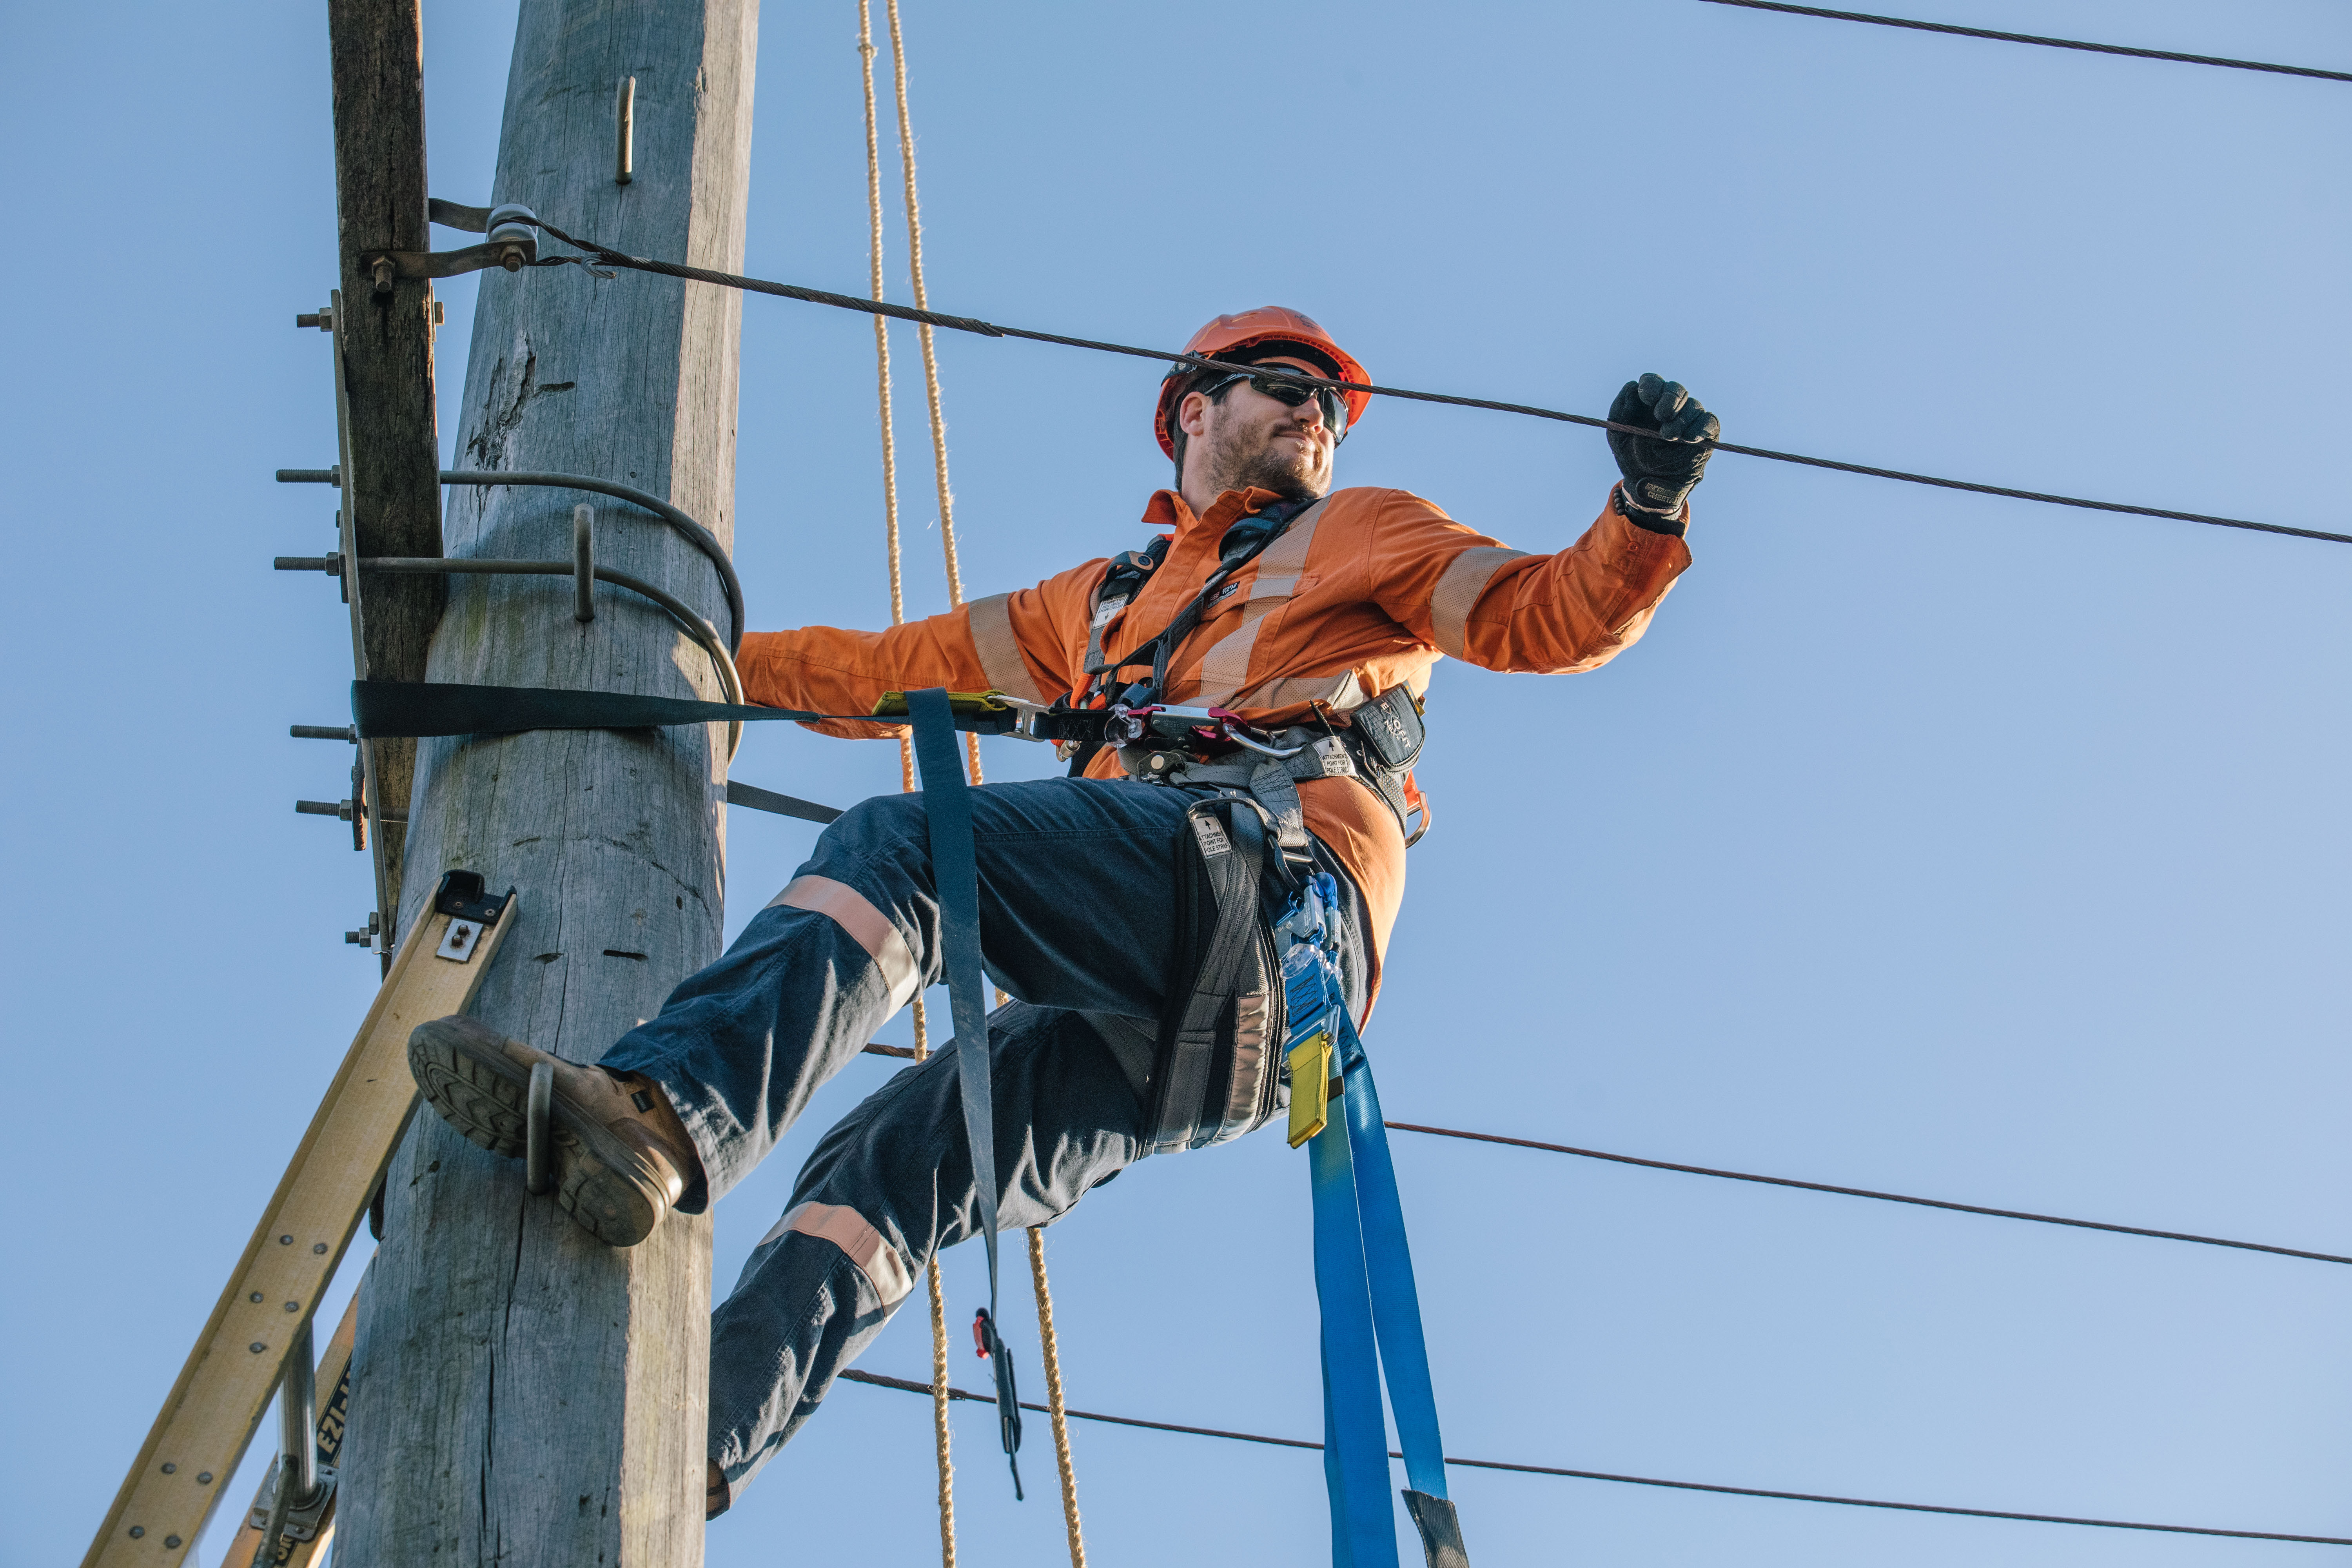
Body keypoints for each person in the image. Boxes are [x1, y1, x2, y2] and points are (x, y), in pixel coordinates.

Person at [405, 306, 1718, 1516]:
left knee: (912, 850)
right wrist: (672, 661)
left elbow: (1542, 613)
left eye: (1332, 399)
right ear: (1192, 409)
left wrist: (1644, 511)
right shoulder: (1095, 607)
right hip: (1180, 1017)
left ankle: (668, 1113)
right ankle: (685, 1451)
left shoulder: (1367, 530)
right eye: (1286, 384)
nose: (1318, 410)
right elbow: (878, 673)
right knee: (885, 1165)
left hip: (1264, 892)